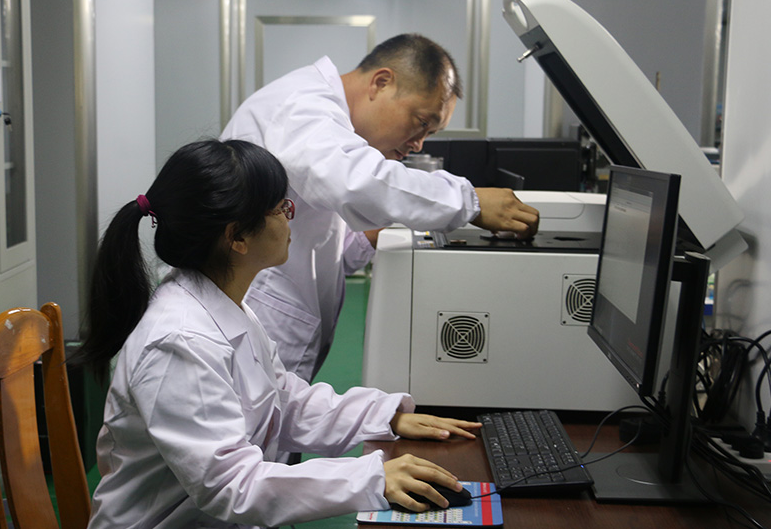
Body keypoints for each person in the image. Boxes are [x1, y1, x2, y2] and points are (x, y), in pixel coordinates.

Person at [73, 139, 483, 528]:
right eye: (280, 208)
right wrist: (370, 479)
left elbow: (283, 401)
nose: (291, 218)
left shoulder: (224, 305)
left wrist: (383, 417)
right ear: (237, 236)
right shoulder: (179, 341)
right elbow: (230, 486)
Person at [221, 33, 540, 382]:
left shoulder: (329, 126)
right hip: (251, 329)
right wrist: (469, 202)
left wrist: (371, 238)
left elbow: (319, 242)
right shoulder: (301, 105)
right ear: (382, 82)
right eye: (422, 122)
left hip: (273, 334)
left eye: (430, 133)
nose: (418, 144)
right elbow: (355, 183)